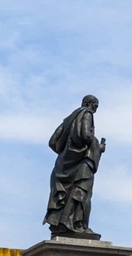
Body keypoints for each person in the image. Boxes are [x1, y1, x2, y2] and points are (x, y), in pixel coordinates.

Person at [43, 95, 105, 237]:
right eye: (96, 106)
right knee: (83, 193)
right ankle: (79, 225)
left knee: (68, 195)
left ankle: (62, 225)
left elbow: (52, 141)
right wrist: (98, 147)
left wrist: (67, 153)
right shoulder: (87, 114)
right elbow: (86, 135)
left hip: (63, 165)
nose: (95, 110)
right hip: (83, 164)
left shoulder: (68, 120)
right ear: (90, 104)